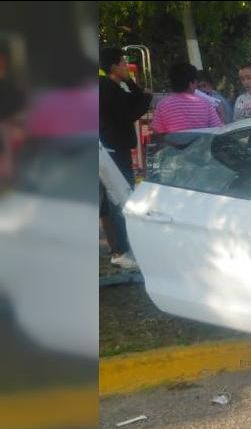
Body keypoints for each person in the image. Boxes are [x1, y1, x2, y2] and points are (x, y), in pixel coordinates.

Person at [99, 47, 152, 269]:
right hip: (113, 151)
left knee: (113, 198)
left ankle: (119, 247)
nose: (125, 67)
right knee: (119, 197)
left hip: (113, 149)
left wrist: (130, 82)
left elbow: (134, 100)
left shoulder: (112, 87)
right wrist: (146, 99)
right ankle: (120, 250)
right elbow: (129, 114)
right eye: (122, 63)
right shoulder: (108, 89)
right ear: (114, 66)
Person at [151, 62, 223, 135]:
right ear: (191, 84)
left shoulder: (162, 105)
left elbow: (157, 132)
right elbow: (218, 130)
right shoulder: (206, 104)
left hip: (174, 142)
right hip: (201, 142)